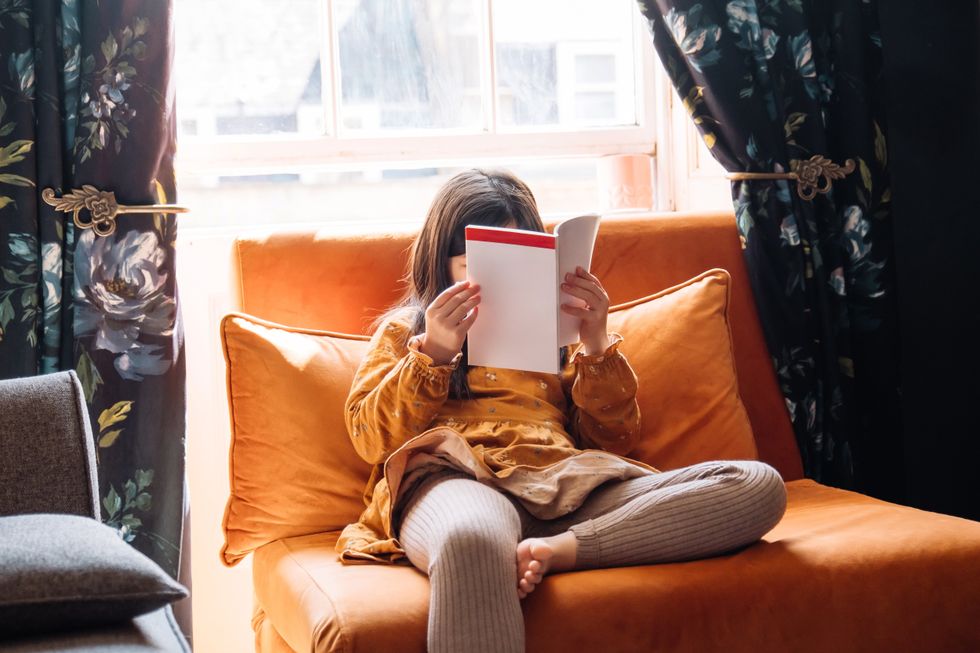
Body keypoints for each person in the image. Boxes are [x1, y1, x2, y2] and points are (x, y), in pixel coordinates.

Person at [335, 169, 787, 653]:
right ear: (441, 266)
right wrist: (435, 354)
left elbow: (612, 443)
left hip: (565, 487)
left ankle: (558, 553)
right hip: (458, 481)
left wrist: (594, 342)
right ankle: (527, 543)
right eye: (473, 268)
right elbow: (369, 439)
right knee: (471, 541)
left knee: (757, 485)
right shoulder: (407, 332)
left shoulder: (560, 341)